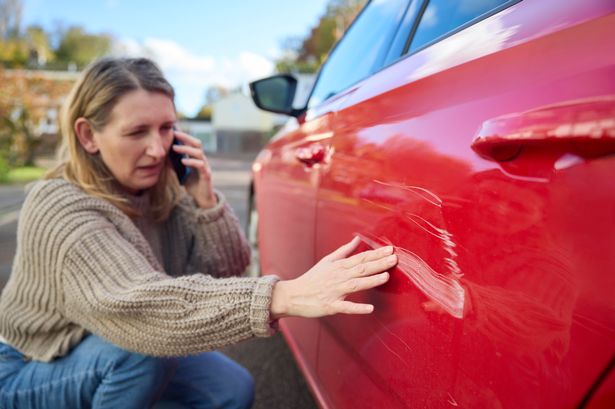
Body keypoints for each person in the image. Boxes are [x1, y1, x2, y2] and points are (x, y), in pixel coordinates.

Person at [0, 57, 397, 409]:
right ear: (88, 136)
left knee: (230, 388)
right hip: (30, 365)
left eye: (166, 128)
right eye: (137, 132)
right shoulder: (58, 205)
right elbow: (136, 307)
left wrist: (204, 201)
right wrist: (284, 295)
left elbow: (222, 273)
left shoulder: (162, 191)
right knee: (141, 355)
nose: (158, 149)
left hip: (101, 351)